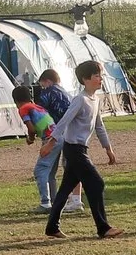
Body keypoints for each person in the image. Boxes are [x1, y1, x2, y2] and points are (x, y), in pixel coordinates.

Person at [43, 59, 119, 240]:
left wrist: (108, 148)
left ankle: (52, 227)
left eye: (101, 75)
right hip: (74, 150)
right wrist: (51, 142)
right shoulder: (80, 99)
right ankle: (103, 228)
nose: (101, 79)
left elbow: (99, 126)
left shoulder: (95, 100)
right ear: (85, 79)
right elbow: (64, 121)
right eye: (96, 76)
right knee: (97, 183)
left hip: (81, 149)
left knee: (65, 190)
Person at [14, 85, 58, 212]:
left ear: (16, 101)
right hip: (58, 136)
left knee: (40, 170)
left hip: (50, 139)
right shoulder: (37, 107)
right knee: (50, 173)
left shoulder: (23, 109)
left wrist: (30, 139)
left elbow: (31, 129)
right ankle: (55, 201)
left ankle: (45, 203)